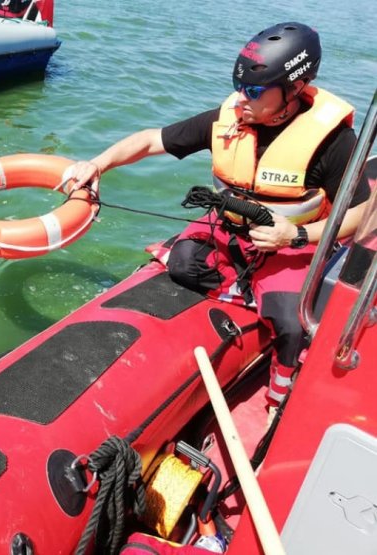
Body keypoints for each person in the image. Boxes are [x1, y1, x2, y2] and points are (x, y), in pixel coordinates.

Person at [70, 22, 370, 415]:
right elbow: (150, 140)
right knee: (181, 264)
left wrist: (295, 235)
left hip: (291, 245)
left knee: (292, 323)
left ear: (295, 89)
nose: (242, 98)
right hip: (232, 230)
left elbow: (363, 211)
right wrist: (97, 164)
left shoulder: (333, 142)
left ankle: (280, 398)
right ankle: (247, 295)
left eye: (256, 91)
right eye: (240, 86)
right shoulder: (230, 117)